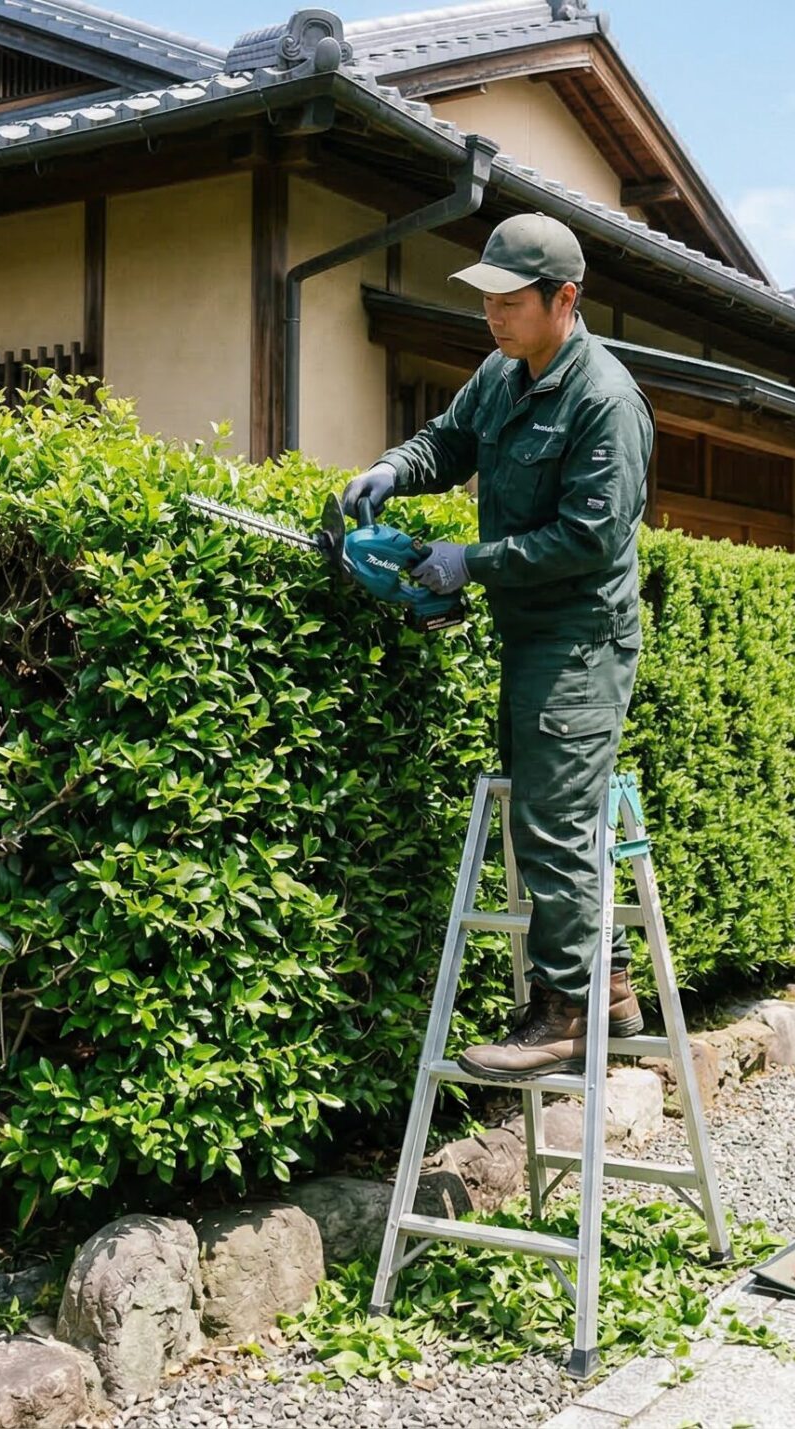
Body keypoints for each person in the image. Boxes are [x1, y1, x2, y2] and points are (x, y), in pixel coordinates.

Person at [341, 212, 653, 1082]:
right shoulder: (502, 373)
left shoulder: (606, 401)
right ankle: (609, 982)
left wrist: (466, 562)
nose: (493, 316)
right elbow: (449, 441)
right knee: (546, 811)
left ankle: (565, 1012)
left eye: (510, 302)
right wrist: (394, 469)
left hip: (581, 639)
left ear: (565, 299)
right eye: (487, 300)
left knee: (554, 820)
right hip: (529, 633)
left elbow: (587, 539)